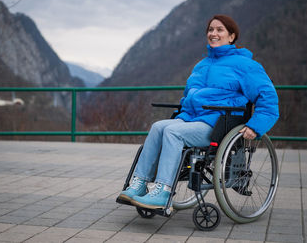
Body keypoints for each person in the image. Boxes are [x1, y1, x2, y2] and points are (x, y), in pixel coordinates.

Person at [117, 14, 279, 210]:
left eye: (219, 30)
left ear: (232, 36)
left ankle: (163, 191)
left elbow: (268, 97)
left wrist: (255, 126)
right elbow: (189, 97)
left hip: (219, 123)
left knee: (172, 132)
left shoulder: (246, 66)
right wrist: (182, 113)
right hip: (192, 118)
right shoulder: (201, 65)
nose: (213, 33)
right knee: (158, 127)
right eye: (210, 30)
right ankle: (140, 184)